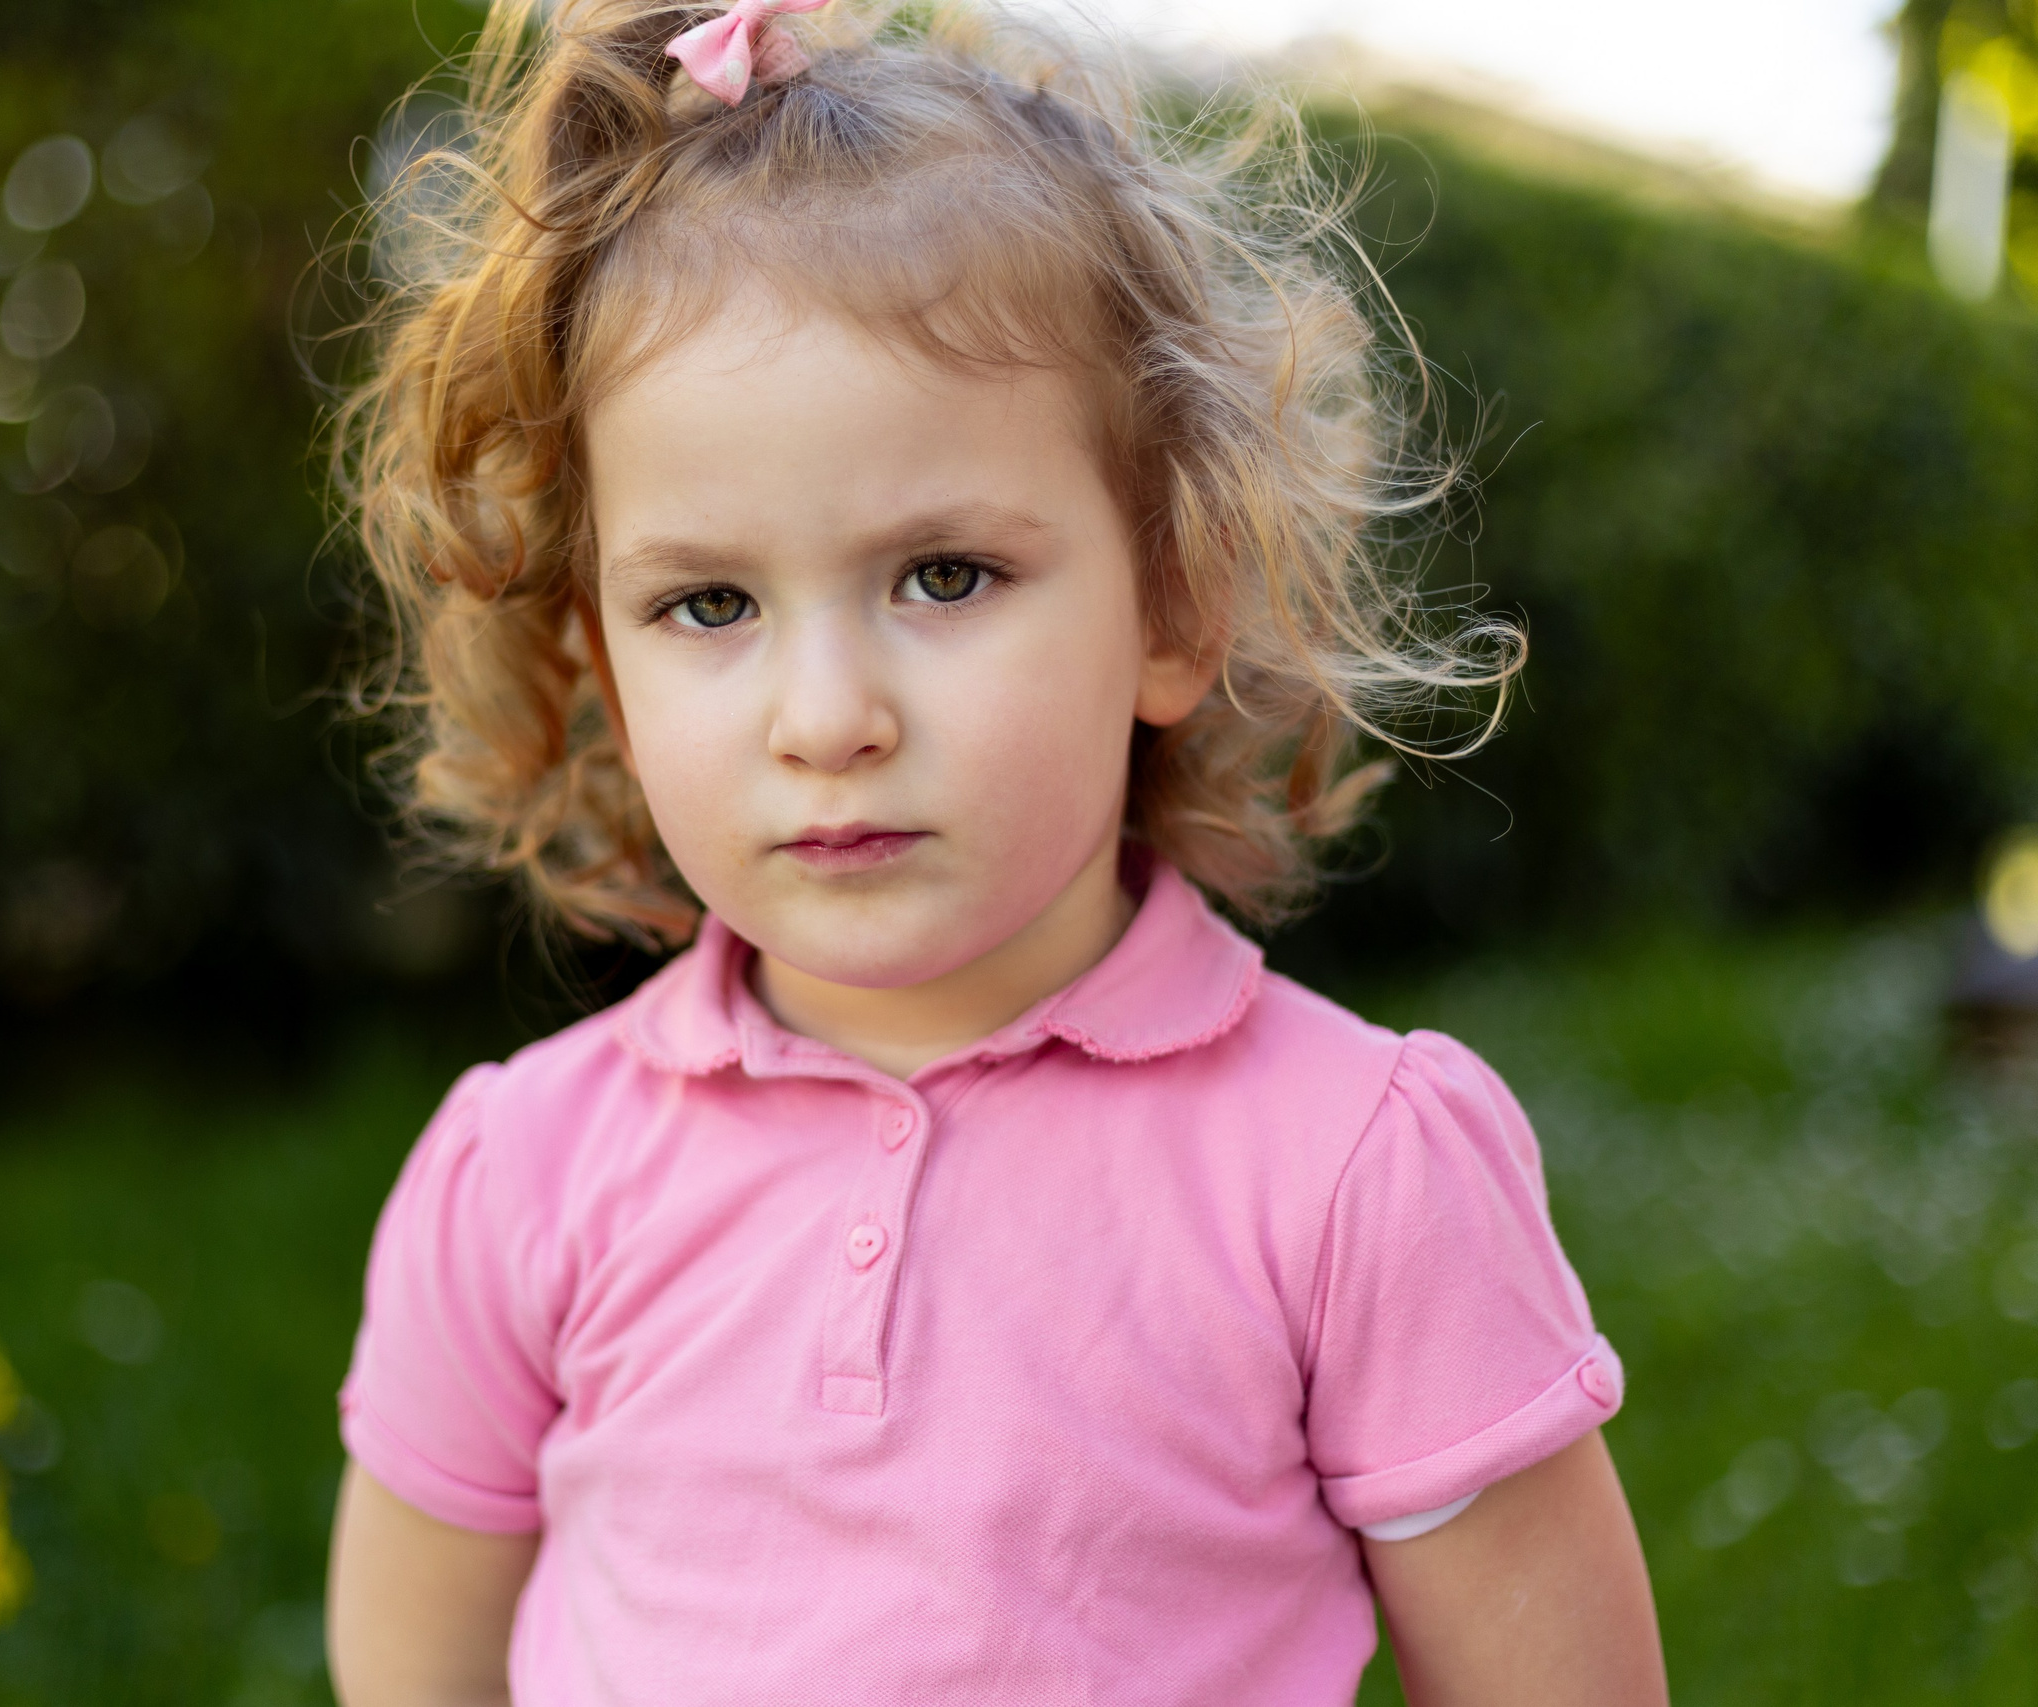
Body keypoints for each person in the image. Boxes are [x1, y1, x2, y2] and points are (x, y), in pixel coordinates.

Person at [324, 0, 1665, 1699]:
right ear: (599, 657)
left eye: (944, 575)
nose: (827, 716)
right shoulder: (519, 1180)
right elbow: (413, 1669)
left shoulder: (1352, 1173)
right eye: (709, 604)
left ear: (1173, 608)